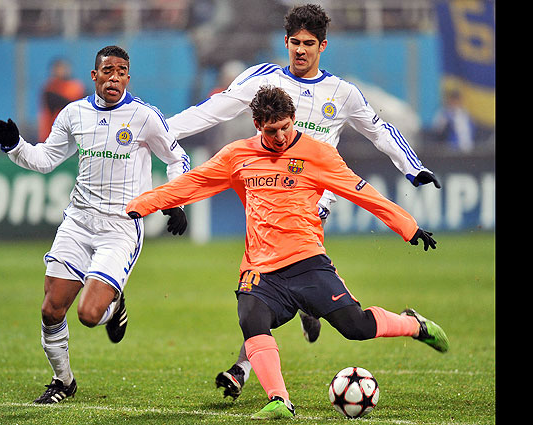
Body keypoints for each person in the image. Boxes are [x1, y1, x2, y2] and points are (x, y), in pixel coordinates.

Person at [166, 3, 442, 400]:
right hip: (269, 192)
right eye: (294, 42)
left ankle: (267, 346)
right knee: (270, 283)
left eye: (308, 43)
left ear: (322, 46)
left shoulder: (342, 93)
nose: (300, 50)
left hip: (314, 199)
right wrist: (161, 131)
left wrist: (413, 168)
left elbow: (380, 130)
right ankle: (275, 340)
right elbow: (213, 110)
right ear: (285, 42)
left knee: (280, 281)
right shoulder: (264, 79)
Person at [127, 86, 449, 420]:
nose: (280, 137)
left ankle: (413, 324)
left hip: (307, 261)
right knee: (251, 318)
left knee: (356, 328)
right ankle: (279, 400)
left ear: (294, 118)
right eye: (271, 130)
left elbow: (362, 192)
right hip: (260, 268)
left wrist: (407, 226)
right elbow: (191, 183)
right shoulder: (237, 155)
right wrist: (143, 204)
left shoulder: (318, 154)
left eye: (285, 127)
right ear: (257, 124)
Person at [0, 45, 191, 404]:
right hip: (78, 222)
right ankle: (63, 381)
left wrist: (176, 200)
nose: (114, 78)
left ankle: (113, 304)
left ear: (128, 77)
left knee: (89, 315)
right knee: (50, 309)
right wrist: (15, 145)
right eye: (108, 71)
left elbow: (177, 158)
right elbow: (46, 159)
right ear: (95, 76)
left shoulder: (144, 116)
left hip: (120, 227)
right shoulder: (74, 113)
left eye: (121, 71)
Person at [38, 58, 86, 142]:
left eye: (63, 68)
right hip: (52, 135)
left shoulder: (76, 87)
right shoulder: (50, 88)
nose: (60, 71)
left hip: (72, 134)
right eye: (58, 68)